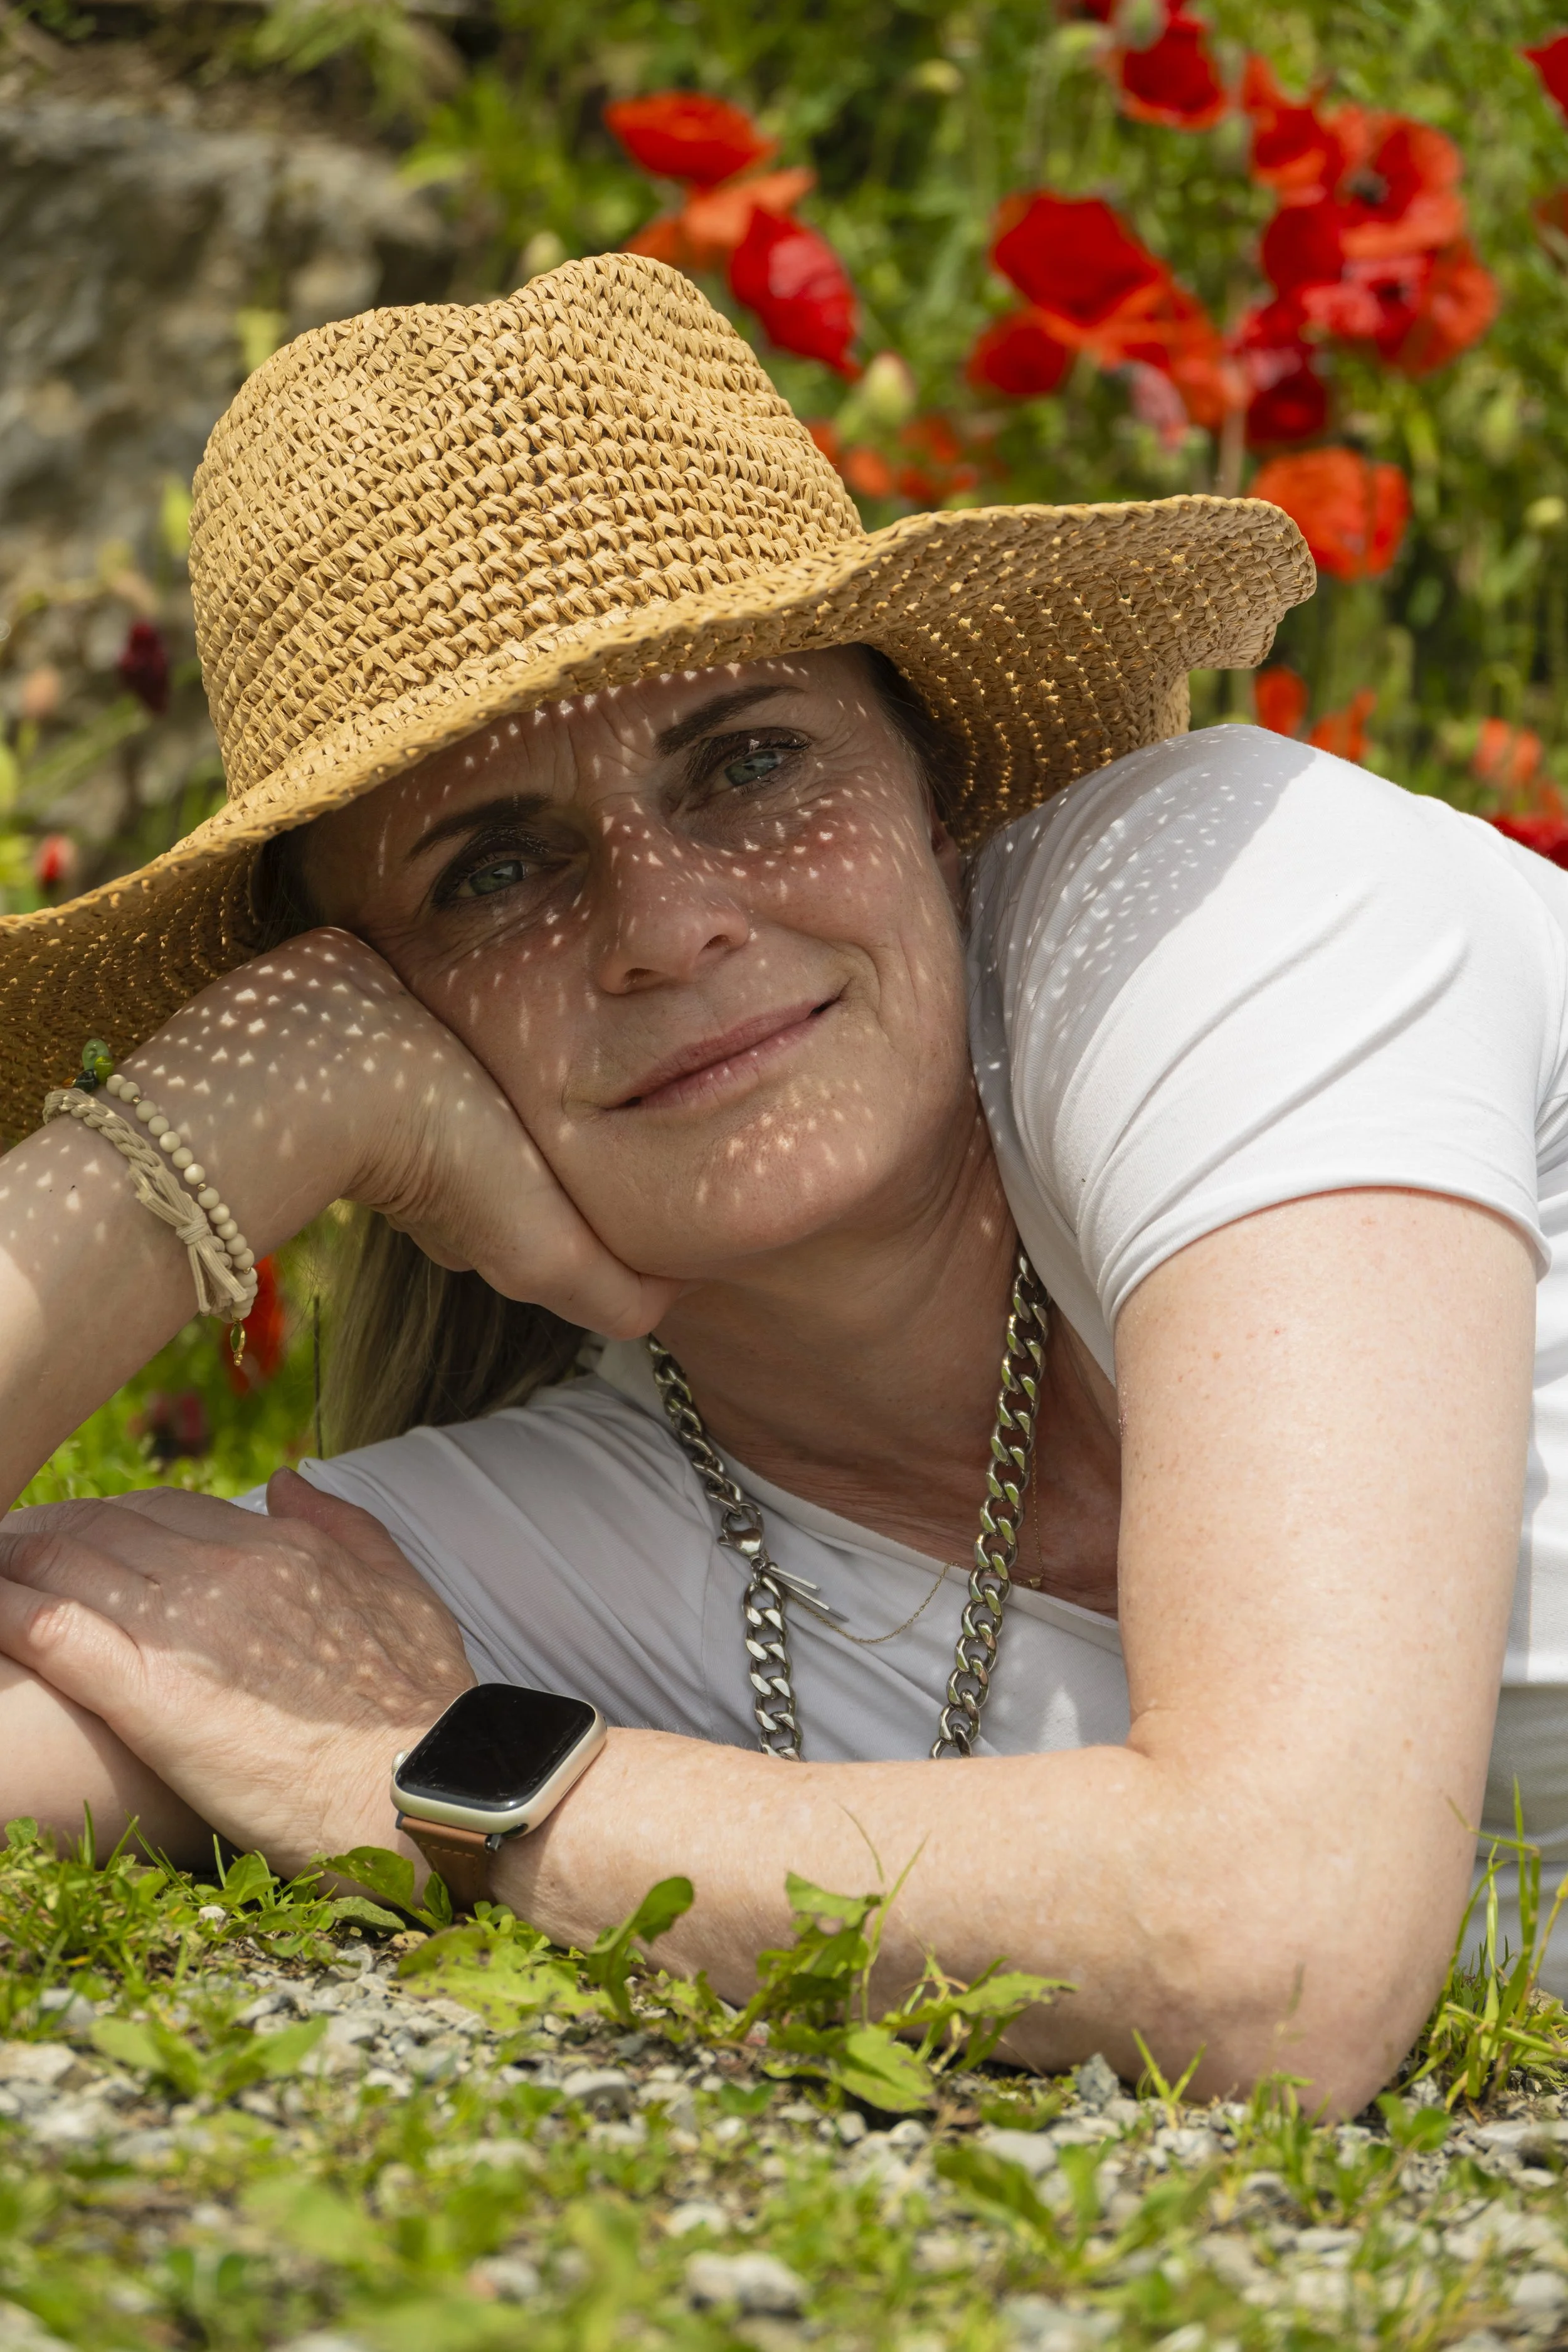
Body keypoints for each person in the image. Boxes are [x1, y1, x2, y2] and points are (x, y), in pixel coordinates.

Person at [0, 255, 1551, 2117]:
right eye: (492, 870)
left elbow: (1272, 1954)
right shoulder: (550, 1530)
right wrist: (216, 1125)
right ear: (376, 994)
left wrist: (422, 1772)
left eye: (746, 759)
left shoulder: (1208, 912)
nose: (664, 921)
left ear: (932, 780)